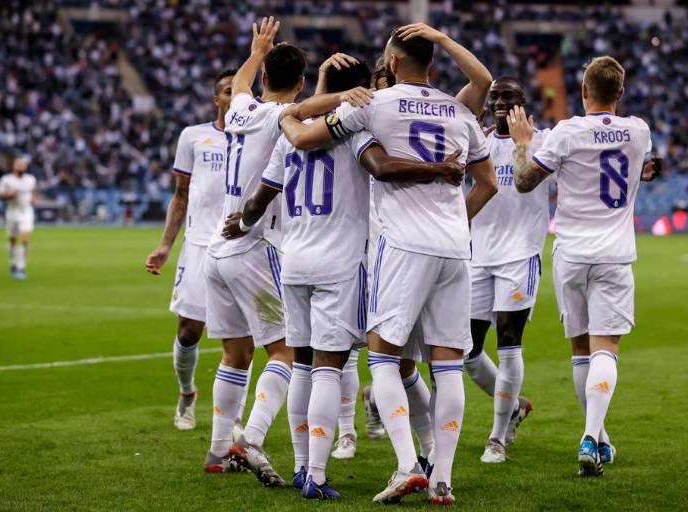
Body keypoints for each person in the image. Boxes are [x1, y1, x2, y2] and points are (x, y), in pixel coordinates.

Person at [226, 55, 464, 500]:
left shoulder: (289, 134)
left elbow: (259, 200)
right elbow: (381, 167)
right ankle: (316, 475)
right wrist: (439, 168)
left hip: (293, 261)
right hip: (340, 265)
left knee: (300, 364)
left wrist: (240, 225)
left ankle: (300, 465)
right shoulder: (355, 132)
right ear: (362, 94)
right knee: (328, 370)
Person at [278, 26, 497, 505]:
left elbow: (305, 136)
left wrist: (295, 111)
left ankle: (403, 466)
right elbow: (488, 177)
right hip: (456, 248)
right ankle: (441, 478)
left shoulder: (374, 105)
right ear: (432, 64)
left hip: (401, 245)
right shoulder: (458, 111)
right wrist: (442, 37)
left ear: (393, 64)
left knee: (383, 357)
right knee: (448, 365)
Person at [509, 55, 659, 476]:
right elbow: (636, 165)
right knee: (606, 350)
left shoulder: (566, 132)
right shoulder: (639, 130)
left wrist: (522, 142)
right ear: (621, 93)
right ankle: (594, 437)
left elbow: (523, 181)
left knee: (581, 352)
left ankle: (598, 437)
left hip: (572, 254)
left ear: (584, 92)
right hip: (614, 255)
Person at [201, 17, 300, 486]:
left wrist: (257, 51)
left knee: (235, 353)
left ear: (264, 79)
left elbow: (240, 82)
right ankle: (251, 437)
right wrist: (340, 94)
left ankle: (218, 451)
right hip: (253, 244)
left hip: (216, 252)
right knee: (286, 350)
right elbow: (306, 110)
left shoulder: (240, 108)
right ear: (299, 84)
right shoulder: (286, 118)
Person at [144, 69, 253, 434]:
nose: (232, 97)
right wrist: (164, 245)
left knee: (242, 337)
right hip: (199, 245)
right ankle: (187, 392)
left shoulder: (253, 135)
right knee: (189, 331)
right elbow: (181, 194)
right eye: (226, 91)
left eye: (237, 91)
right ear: (217, 99)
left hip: (241, 246)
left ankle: (234, 415)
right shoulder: (194, 136)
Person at [470, 76, 546, 463]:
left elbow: (531, 182)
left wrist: (522, 143)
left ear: (523, 102)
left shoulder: (543, 141)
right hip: (476, 254)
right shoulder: (476, 140)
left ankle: (497, 436)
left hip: (520, 254)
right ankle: (513, 406)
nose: (500, 102)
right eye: (495, 95)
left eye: (509, 97)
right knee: (466, 350)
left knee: (508, 340)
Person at [0, 156, 36, 280]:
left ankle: (21, 267)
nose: (21, 167)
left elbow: (32, 192)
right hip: (12, 212)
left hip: (26, 211)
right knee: (12, 240)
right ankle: (13, 264)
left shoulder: (30, 179)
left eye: (22, 165)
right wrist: (9, 194)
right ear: (13, 166)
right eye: (18, 165)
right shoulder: (6, 180)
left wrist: (33, 199)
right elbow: (0, 195)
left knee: (25, 238)